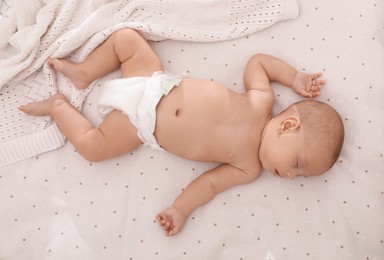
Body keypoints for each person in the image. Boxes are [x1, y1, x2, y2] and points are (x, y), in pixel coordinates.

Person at [19, 29, 344, 236]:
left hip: (138, 126)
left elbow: (210, 184)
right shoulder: (261, 101)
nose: (289, 174)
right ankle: (84, 72)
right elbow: (258, 62)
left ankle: (58, 108)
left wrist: (181, 208)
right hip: (153, 81)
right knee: (127, 39)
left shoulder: (248, 167)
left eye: (299, 177)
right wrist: (294, 77)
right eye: (298, 163)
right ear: (288, 126)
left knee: (93, 148)